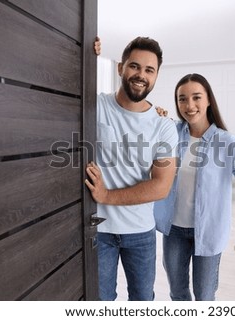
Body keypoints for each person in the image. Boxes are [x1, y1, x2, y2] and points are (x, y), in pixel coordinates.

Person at [154, 73, 235, 301]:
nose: (189, 105)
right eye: (182, 99)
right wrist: (156, 117)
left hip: (208, 233)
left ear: (209, 99)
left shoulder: (226, 141)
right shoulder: (171, 132)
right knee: (177, 292)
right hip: (174, 231)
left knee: (204, 296)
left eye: (196, 97)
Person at [85, 37, 178, 301]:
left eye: (149, 70)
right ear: (120, 68)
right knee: (100, 302)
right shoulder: (96, 106)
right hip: (99, 230)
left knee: (142, 301)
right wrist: (82, 53)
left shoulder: (163, 125)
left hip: (140, 232)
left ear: (157, 76)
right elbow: (66, 84)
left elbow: (161, 185)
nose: (141, 75)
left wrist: (107, 196)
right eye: (134, 66)